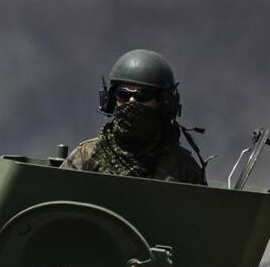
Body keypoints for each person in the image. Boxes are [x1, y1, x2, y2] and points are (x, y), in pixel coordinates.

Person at [61, 49, 206, 184]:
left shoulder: (182, 168)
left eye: (142, 96)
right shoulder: (86, 156)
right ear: (111, 99)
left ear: (163, 103)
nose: (131, 102)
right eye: (123, 94)